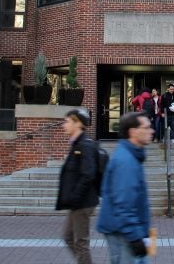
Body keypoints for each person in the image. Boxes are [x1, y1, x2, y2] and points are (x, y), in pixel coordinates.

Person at [96, 112, 154, 264]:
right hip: (123, 233)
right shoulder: (126, 161)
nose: (152, 131)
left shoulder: (132, 156)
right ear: (133, 132)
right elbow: (123, 205)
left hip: (133, 231)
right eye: (147, 127)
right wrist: (135, 237)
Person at [55, 109, 98, 264]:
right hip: (78, 202)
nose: (64, 125)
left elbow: (89, 174)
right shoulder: (77, 144)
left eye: (67, 121)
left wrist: (75, 197)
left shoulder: (84, 145)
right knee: (68, 236)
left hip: (82, 202)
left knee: (81, 241)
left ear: (78, 124)